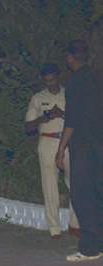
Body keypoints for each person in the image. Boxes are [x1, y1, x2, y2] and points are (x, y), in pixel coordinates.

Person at [55, 40, 103, 262]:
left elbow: (72, 120)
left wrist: (61, 148)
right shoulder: (96, 78)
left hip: (84, 146)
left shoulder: (75, 82)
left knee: (82, 195)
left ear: (70, 58)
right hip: (99, 144)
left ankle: (90, 247)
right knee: (97, 193)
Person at [25, 64, 80, 239]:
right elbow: (28, 126)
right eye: (47, 81)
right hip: (47, 141)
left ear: (59, 76)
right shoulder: (37, 98)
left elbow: (79, 119)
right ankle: (54, 227)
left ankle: (75, 224)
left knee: (75, 183)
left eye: (53, 79)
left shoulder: (69, 93)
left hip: (68, 141)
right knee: (49, 185)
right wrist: (47, 116)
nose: (50, 84)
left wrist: (62, 113)